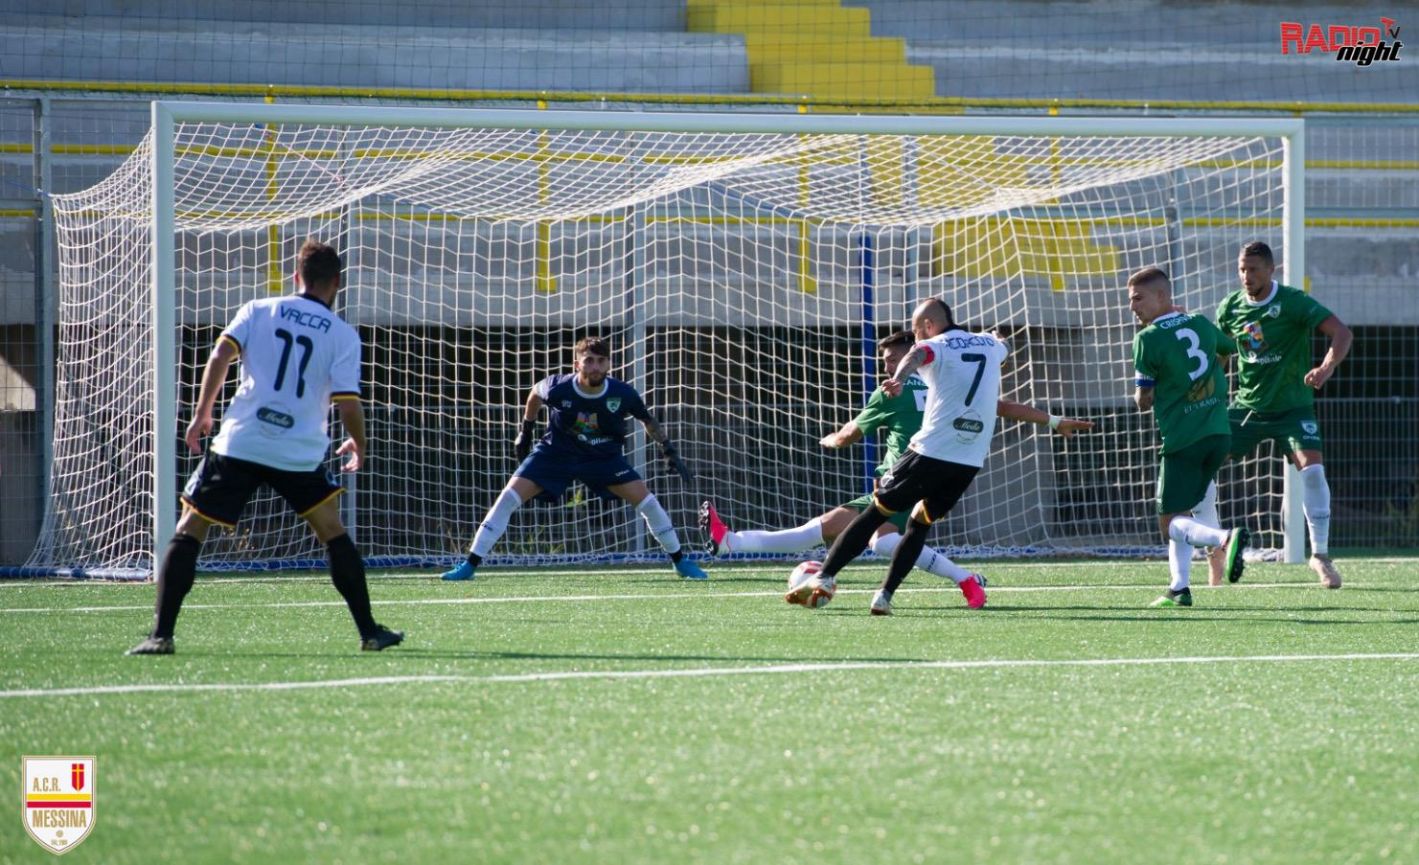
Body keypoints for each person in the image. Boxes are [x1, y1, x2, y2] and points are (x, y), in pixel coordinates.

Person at [128, 239, 403, 655]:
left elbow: (221, 353)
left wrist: (202, 412)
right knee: (332, 532)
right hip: (298, 450)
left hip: (242, 440)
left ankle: (161, 635)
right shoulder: (344, 335)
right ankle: (369, 632)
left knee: (190, 528)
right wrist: (359, 443)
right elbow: (347, 400)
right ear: (337, 283)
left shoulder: (258, 309)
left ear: (296, 276)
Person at [700, 330, 1093, 612]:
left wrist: (829, 439)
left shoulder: (896, 389)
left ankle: (961, 578)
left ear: (917, 353)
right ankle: (733, 543)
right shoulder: (947, 386)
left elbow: (850, 434)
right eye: (885, 360)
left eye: (892, 358)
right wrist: (1053, 421)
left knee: (854, 534)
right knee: (852, 531)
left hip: (906, 471)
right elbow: (1002, 406)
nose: (887, 365)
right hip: (938, 467)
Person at [441, 336, 708, 581]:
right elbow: (535, 393)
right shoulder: (558, 387)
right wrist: (525, 431)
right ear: (576, 363)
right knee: (508, 498)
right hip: (556, 453)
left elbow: (647, 420)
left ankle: (680, 562)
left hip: (603, 457)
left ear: (608, 364)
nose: (595, 366)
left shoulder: (622, 393)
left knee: (648, 503)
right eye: (589, 360)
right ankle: (469, 566)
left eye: (601, 361)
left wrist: (669, 450)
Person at [1214, 241, 1352, 588]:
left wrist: (1325, 367)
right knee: (1202, 460)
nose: (1247, 276)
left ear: (1270, 270)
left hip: (1293, 407)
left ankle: (1320, 556)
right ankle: (1214, 550)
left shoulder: (1292, 302)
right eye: (1242, 269)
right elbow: (1221, 356)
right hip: (1247, 408)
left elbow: (1341, 332)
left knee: (1313, 471)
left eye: (1254, 269)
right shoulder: (1230, 307)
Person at [1128, 267, 1250, 608]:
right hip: (1218, 434)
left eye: (1139, 298)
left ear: (1163, 297)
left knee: (1170, 523)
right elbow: (1228, 349)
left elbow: (1143, 400)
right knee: (1184, 511)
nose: (1133, 307)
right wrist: (1207, 381)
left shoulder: (1147, 339)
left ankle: (1224, 539)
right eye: (1130, 300)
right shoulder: (1198, 322)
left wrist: (1146, 384)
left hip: (1183, 439)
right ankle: (1179, 588)